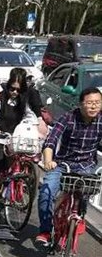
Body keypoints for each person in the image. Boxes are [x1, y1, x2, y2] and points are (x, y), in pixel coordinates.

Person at [35, 87, 102, 246]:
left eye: (97, 103)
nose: (94, 106)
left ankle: (80, 215)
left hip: (87, 166)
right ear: (80, 104)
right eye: (90, 103)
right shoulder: (68, 117)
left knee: (86, 191)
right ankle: (45, 230)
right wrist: (48, 160)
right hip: (63, 164)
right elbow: (51, 140)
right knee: (46, 192)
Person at [0, 73, 37, 182]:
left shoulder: (23, 102)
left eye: (18, 90)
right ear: (8, 87)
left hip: (14, 138)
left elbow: (29, 116)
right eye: (12, 89)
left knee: (15, 163)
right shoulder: (1, 99)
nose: (15, 92)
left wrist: (34, 128)